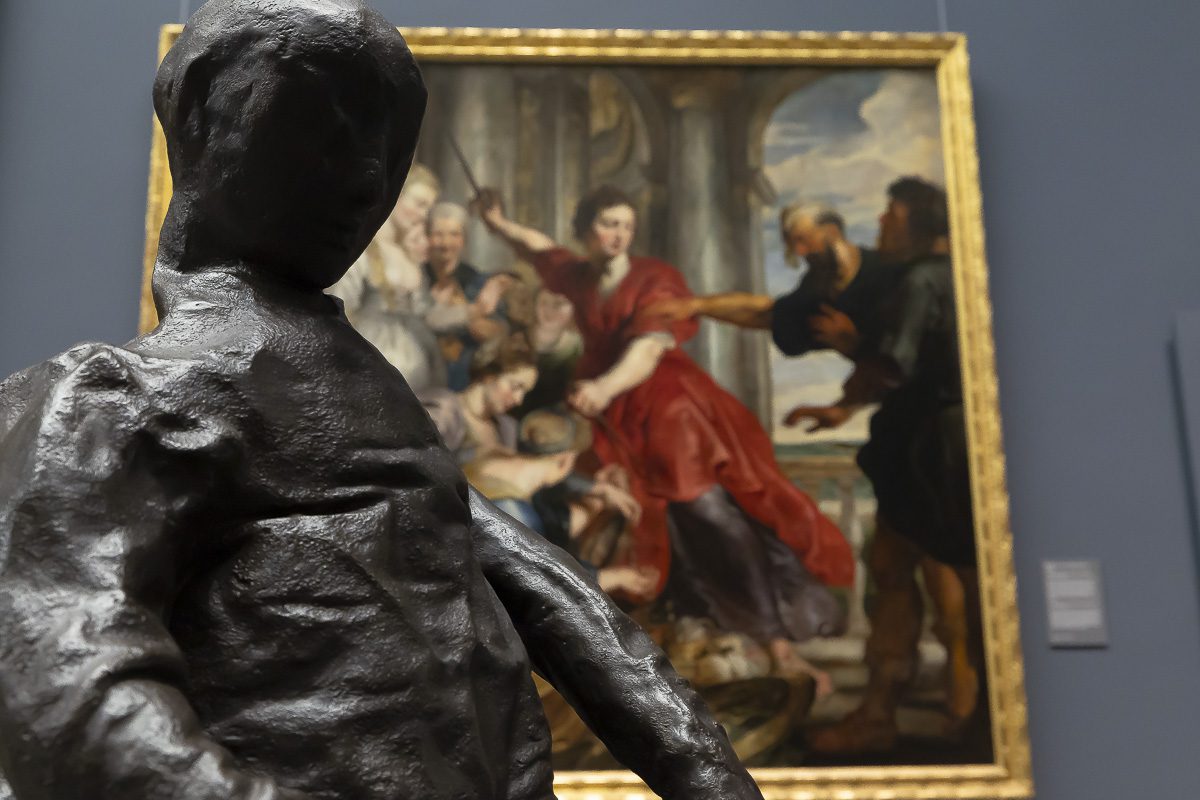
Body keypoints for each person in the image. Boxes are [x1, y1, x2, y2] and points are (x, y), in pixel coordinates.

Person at [0, 3, 763, 799]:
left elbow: (562, 606)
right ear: (201, 111)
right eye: (326, 123)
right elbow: (73, 709)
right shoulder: (102, 400)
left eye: (392, 143)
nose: (369, 174)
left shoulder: (362, 397)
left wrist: (711, 777)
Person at [477, 184, 854, 680]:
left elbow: (648, 349)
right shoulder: (579, 275)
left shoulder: (655, 277)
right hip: (612, 417)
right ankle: (674, 633)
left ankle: (778, 641)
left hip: (670, 410)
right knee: (632, 516)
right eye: (608, 224)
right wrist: (497, 222)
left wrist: (603, 388)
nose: (618, 235)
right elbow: (540, 249)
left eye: (626, 226)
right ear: (586, 230)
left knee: (707, 511)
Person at [787, 177, 982, 753]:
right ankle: (963, 711)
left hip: (926, 449)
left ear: (918, 220)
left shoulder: (920, 280)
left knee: (902, 570)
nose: (880, 223)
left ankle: (887, 715)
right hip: (946, 444)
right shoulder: (956, 274)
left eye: (891, 214)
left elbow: (894, 366)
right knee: (942, 572)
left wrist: (848, 365)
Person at [652, 202, 902, 362]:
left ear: (831, 232)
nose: (800, 252)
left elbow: (908, 357)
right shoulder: (816, 286)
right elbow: (767, 313)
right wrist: (696, 305)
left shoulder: (887, 272)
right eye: (794, 245)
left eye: (803, 240)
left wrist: (853, 344)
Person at [328, 176, 446, 391]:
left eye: (428, 209)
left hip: (416, 355)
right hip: (371, 352)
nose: (423, 215)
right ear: (396, 196)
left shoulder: (409, 255)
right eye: (419, 204)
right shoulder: (364, 249)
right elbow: (339, 306)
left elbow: (423, 311)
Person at [422, 202, 513, 390]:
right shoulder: (415, 278)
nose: (446, 243)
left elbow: (498, 330)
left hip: (463, 378)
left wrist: (484, 326)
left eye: (454, 234)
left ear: (463, 240)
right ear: (428, 237)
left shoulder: (478, 282)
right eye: (438, 234)